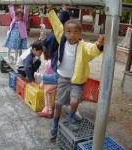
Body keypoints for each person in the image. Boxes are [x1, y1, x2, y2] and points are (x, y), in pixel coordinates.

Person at [35, 4, 104, 141]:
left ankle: (71, 117)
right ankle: (54, 126)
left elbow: (92, 50)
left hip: (77, 81)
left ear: (80, 33)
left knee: (73, 102)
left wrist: (98, 45)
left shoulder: (83, 46)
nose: (72, 35)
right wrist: (50, 10)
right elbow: (56, 24)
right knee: (59, 104)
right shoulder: (62, 39)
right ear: (65, 33)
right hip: (62, 78)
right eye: (69, 32)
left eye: (76, 32)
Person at [37, 49, 57, 118]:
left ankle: (48, 111)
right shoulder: (56, 60)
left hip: (58, 81)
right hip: (63, 80)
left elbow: (45, 75)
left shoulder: (48, 63)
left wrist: (42, 83)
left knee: (47, 91)